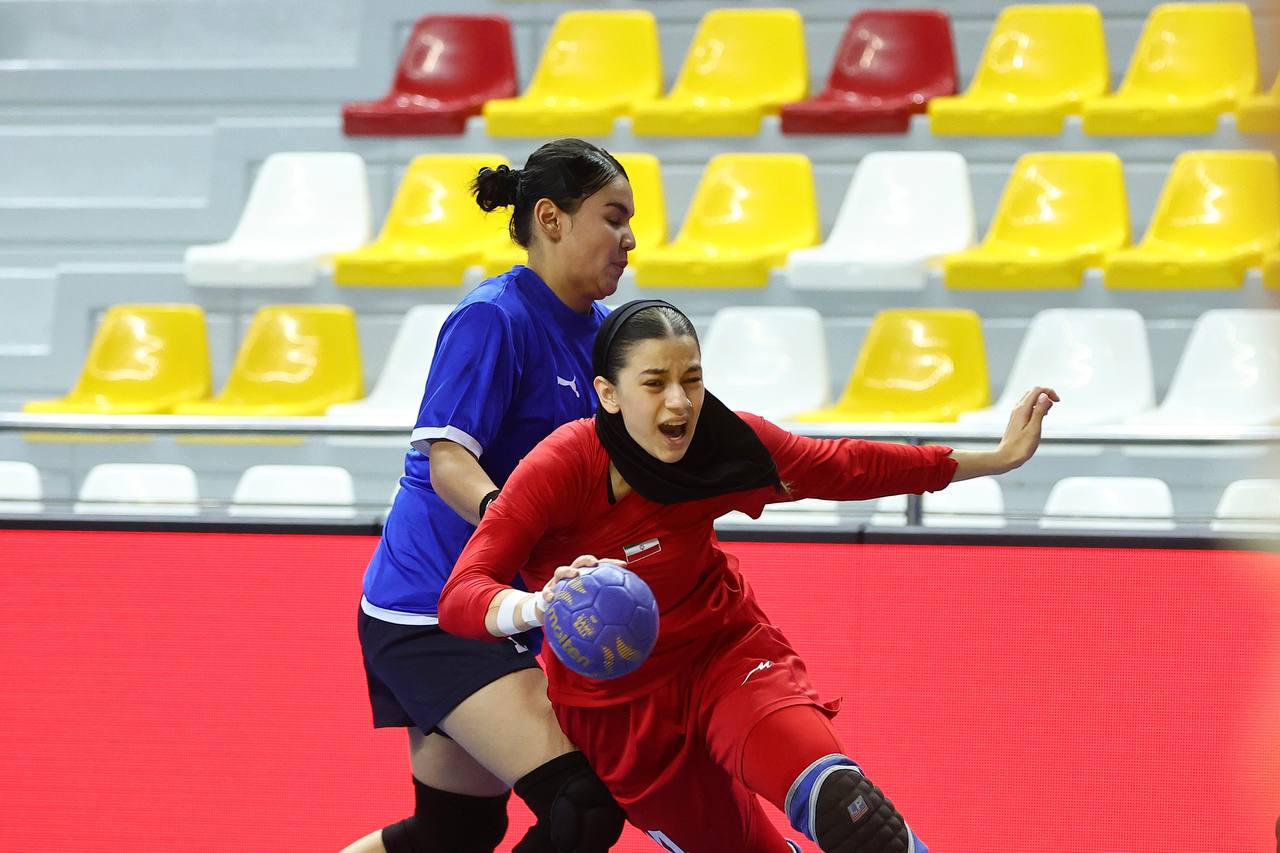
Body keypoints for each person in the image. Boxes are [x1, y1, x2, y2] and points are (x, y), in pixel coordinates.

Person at [439, 300, 1060, 853]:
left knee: (846, 809)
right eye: (654, 383)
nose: (679, 402)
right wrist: (540, 604)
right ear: (608, 393)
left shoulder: (722, 443)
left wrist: (993, 459)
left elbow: (845, 466)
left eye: (692, 379)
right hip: (621, 717)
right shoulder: (561, 466)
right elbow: (462, 595)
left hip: (724, 658)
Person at [342, 139, 634, 853]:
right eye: (613, 217)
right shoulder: (494, 316)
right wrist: (515, 522)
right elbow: (448, 461)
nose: (629, 239)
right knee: (582, 807)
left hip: (505, 612)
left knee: (453, 834)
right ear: (551, 219)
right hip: (430, 609)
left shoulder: (606, 338)